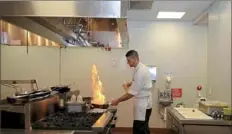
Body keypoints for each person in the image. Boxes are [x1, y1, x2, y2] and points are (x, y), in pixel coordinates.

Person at [111, 50, 153, 134]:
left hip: (143, 106)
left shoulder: (140, 72)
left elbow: (130, 94)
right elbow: (138, 82)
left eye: (129, 61)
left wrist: (117, 100)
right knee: (144, 128)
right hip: (142, 103)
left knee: (139, 130)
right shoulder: (138, 69)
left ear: (136, 58)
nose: (128, 63)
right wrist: (131, 83)